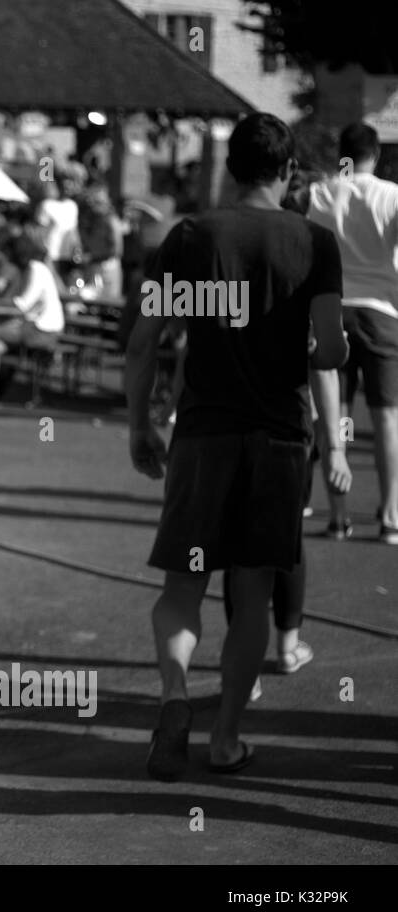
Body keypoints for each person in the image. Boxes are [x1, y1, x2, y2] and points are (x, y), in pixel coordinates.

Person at [125, 113, 348, 781]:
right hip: (279, 436)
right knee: (251, 593)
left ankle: (172, 701)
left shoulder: (191, 236)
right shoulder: (315, 241)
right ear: (287, 174)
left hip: (203, 433)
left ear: (229, 167)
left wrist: (141, 425)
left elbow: (144, 343)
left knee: (182, 586)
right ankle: (224, 738)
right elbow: (332, 350)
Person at [307, 122, 398, 544]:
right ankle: (391, 515)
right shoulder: (392, 196)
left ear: (342, 153)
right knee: (386, 416)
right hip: (381, 310)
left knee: (336, 413)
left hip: (333, 307)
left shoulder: (322, 192)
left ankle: (339, 515)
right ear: (375, 154)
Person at [0, 233, 64, 409]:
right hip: (35, 325)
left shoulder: (36, 269)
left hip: (43, 329)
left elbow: (22, 304)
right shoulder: (32, 269)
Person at [78, 182, 124, 297]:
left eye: (96, 202)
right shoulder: (89, 221)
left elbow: (117, 250)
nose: (92, 206)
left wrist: (96, 256)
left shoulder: (111, 220)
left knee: (110, 300)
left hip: (108, 266)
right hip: (94, 265)